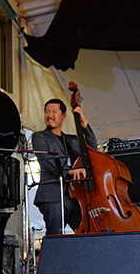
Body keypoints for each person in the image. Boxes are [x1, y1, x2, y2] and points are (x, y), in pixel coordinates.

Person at [32, 99, 97, 235]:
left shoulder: (72, 139)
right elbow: (46, 161)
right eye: (47, 112)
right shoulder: (39, 137)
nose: (49, 115)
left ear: (63, 116)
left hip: (75, 196)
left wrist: (85, 126)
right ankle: (51, 256)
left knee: (89, 232)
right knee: (55, 235)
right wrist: (71, 171)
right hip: (53, 196)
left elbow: (92, 151)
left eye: (54, 111)